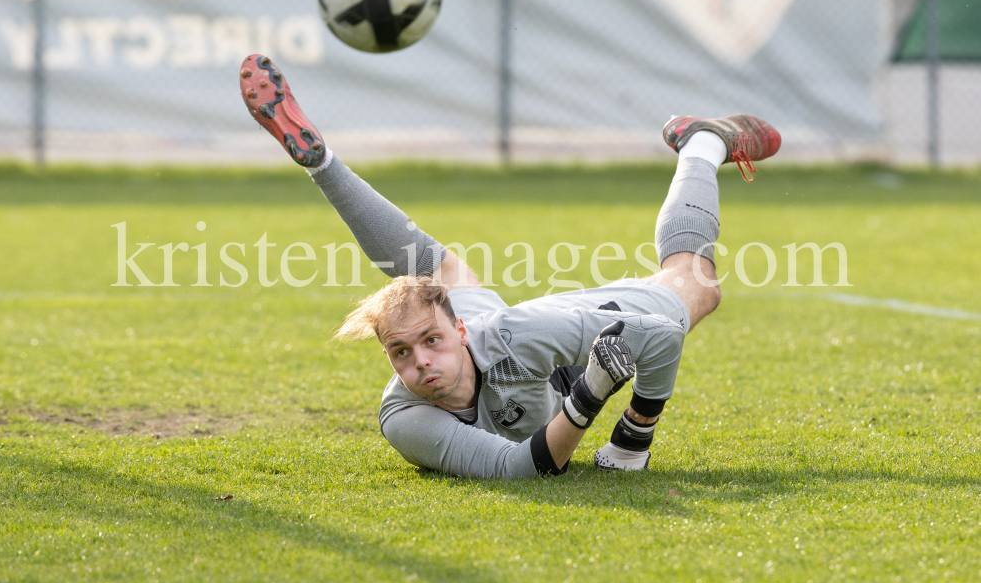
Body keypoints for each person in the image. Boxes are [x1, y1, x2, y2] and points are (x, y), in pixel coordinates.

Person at [239, 54, 781, 478]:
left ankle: (700, 142)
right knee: (435, 271)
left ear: (457, 330)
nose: (419, 363)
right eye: (400, 353)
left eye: (430, 342)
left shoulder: (515, 334)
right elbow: (515, 468)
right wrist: (592, 396)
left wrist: (633, 434)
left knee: (696, 287)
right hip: (527, 361)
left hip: (523, 347)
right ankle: (321, 163)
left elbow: (661, 338)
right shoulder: (405, 418)